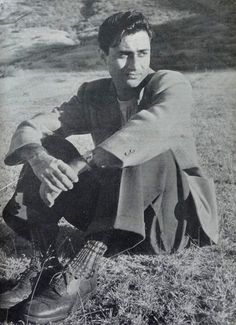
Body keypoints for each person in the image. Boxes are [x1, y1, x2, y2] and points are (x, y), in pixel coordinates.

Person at [0, 10, 218, 324]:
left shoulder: (170, 84)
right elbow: (32, 126)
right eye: (123, 55)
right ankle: (43, 263)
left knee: (141, 147)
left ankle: (85, 269)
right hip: (116, 208)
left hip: (168, 220)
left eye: (143, 53)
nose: (135, 65)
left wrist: (79, 165)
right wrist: (40, 159)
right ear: (104, 55)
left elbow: (148, 130)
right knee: (48, 146)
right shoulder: (94, 93)